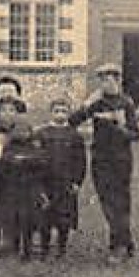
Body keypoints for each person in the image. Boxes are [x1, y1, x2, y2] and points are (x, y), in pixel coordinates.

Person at [71, 63, 139, 262]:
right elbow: (72, 121)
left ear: (118, 80)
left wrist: (120, 126)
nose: (106, 83)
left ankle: (119, 245)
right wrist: (87, 104)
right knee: (107, 202)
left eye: (111, 78)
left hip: (121, 159)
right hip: (100, 159)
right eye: (102, 79)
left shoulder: (126, 103)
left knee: (120, 202)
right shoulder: (96, 103)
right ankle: (125, 243)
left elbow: (135, 135)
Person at [0, 105, 48, 262]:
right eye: (18, 131)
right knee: (13, 219)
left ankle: (28, 248)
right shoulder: (7, 148)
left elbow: (41, 162)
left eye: (25, 131)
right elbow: (2, 164)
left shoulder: (34, 147)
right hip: (12, 190)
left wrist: (25, 161)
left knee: (29, 220)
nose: (21, 134)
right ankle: (14, 246)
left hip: (30, 190)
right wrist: (15, 161)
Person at [37, 98, 87, 259]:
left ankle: (62, 248)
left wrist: (77, 182)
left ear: (69, 113)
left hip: (66, 183)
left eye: (64, 111)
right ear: (50, 112)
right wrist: (38, 184)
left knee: (64, 218)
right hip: (46, 182)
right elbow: (36, 160)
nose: (60, 114)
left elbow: (81, 161)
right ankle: (44, 248)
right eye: (56, 110)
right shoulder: (42, 133)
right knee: (45, 216)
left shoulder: (75, 135)